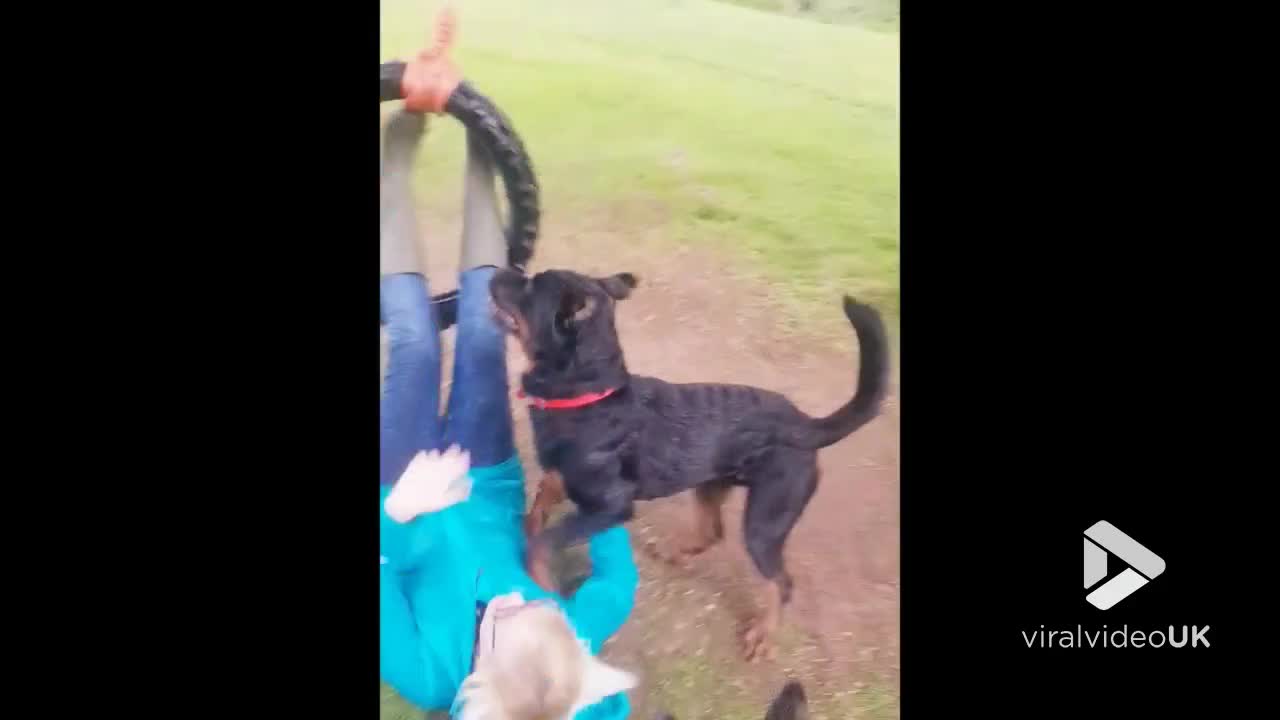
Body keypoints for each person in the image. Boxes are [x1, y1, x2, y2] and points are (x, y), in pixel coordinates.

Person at [378, 108, 640, 720]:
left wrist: (396, 513)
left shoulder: (426, 674)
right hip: (487, 478)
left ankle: (392, 157)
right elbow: (616, 589)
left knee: (415, 337)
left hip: (403, 485)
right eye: (538, 607)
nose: (510, 599)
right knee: (481, 328)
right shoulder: (562, 660)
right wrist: (599, 490)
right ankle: (479, 144)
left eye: (501, 622)